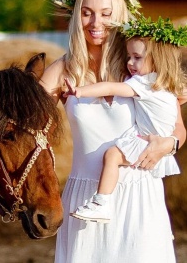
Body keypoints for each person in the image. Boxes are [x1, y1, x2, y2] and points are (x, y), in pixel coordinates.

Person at [40, 0, 186, 262]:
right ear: (76, 15)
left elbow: (178, 130)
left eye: (106, 14)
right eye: (87, 12)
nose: (96, 22)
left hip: (140, 197)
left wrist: (166, 145)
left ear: (119, 16)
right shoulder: (62, 71)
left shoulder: (140, 67)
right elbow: (24, 123)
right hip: (87, 198)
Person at [62, 15, 187, 223]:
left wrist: (80, 91)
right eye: (129, 56)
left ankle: (101, 202)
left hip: (147, 142)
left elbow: (110, 87)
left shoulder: (144, 83)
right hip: (158, 141)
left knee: (112, 156)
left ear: (157, 59)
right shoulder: (168, 86)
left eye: (137, 57)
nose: (130, 62)